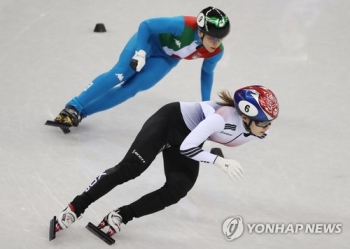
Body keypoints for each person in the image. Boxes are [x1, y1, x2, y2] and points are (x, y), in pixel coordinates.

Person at [50, 85, 279, 240]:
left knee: (178, 188)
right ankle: (75, 207)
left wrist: (213, 151)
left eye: (270, 122)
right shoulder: (222, 118)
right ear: (246, 116)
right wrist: (218, 161)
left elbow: (200, 141)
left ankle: (120, 216)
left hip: (189, 136)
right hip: (169, 123)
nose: (268, 128)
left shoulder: (255, 130)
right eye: (264, 123)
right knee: (131, 168)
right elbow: (188, 147)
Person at [53, 6, 231, 128]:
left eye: (220, 39)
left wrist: (206, 104)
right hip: (147, 43)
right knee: (121, 73)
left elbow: (207, 74)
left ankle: (81, 113)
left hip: (167, 58)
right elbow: (146, 25)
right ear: (200, 31)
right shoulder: (182, 25)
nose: (216, 43)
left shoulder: (216, 52)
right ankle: (73, 106)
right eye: (212, 38)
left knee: (132, 88)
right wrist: (139, 53)